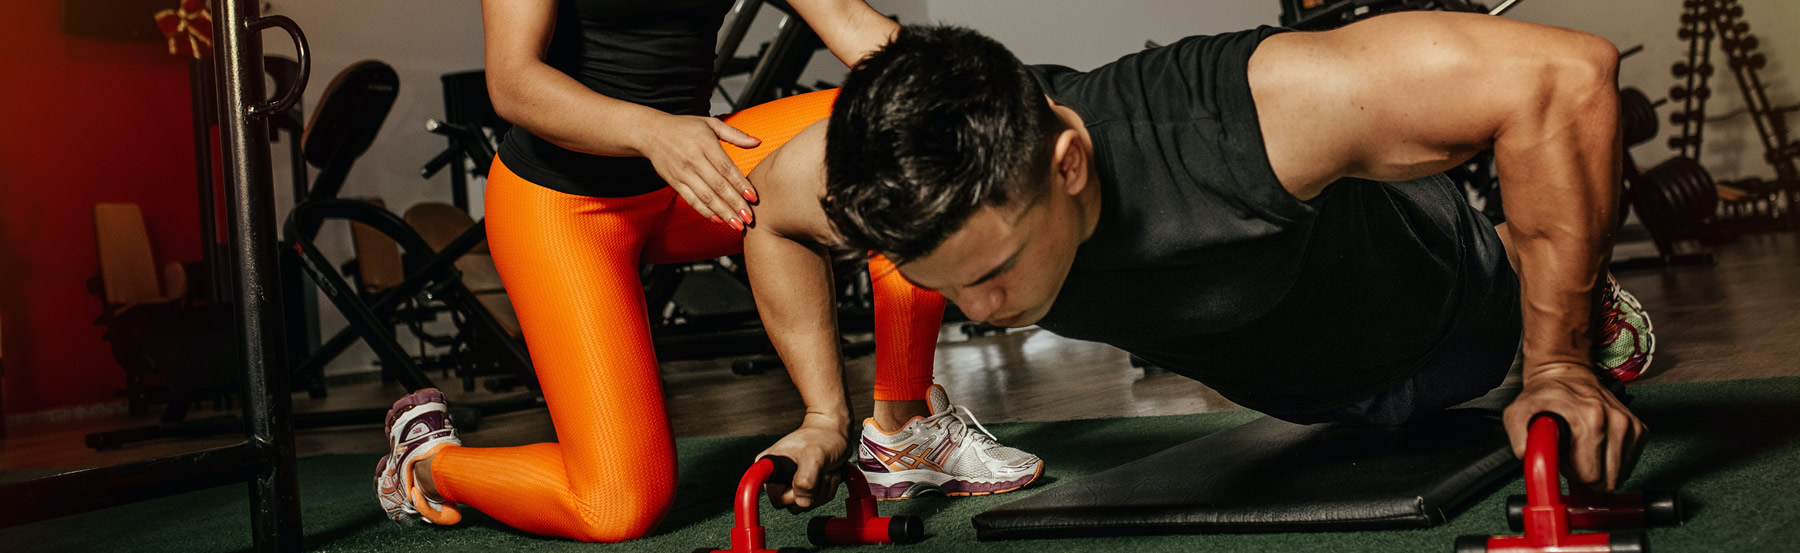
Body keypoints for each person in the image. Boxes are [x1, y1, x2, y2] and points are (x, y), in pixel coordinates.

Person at [736, 13, 1658, 510]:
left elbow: (1563, 76)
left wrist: (1560, 364)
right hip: (1298, 390)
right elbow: (765, 217)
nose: (982, 310)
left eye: (998, 269)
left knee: (1497, 308)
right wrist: (825, 414)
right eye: (947, 284)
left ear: (1069, 164)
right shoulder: (883, 176)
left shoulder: (1245, 114)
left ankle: (1586, 308)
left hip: (1455, 318)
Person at [372, 1, 1041, 542]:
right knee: (617, 507)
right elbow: (513, 82)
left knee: (909, 130)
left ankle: (901, 431)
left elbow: (855, 25)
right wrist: (651, 130)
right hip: (564, 202)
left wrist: (1000, 97)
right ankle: (430, 465)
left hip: (695, 173)